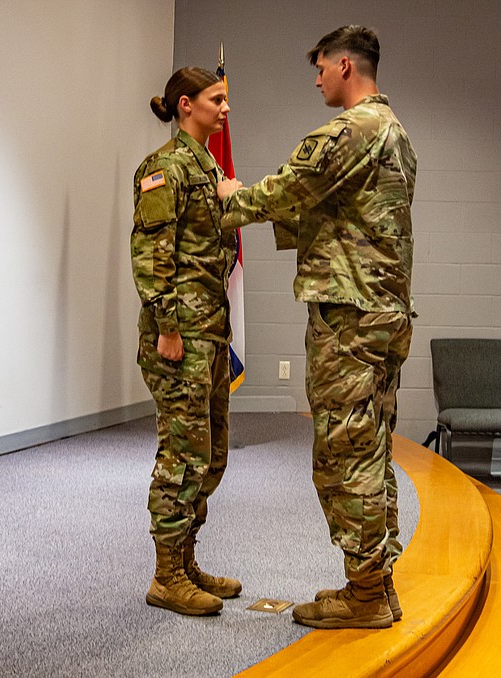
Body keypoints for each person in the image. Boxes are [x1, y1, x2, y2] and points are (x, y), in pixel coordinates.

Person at [217, 25, 416, 629]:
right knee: (371, 446)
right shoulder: (396, 132)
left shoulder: (350, 129)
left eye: (323, 67)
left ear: (347, 65)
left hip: (349, 319)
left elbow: (290, 189)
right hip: (382, 313)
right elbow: (343, 213)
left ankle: (365, 598)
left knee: (344, 451)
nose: (318, 78)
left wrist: (233, 197)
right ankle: (375, 581)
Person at [131, 67, 243, 616]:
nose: (224, 109)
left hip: (211, 334)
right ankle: (166, 575)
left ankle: (185, 558)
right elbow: (154, 258)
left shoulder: (208, 168)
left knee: (211, 454)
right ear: (184, 105)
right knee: (181, 455)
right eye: (215, 99)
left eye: (225, 100)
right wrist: (169, 327)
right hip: (181, 337)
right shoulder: (163, 170)